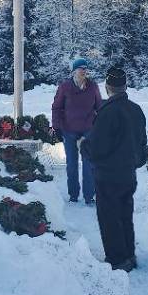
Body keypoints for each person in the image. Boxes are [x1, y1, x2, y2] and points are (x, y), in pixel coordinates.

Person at [80, 65, 147, 271]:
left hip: (109, 174)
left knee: (109, 218)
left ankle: (118, 260)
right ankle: (129, 255)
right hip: (128, 173)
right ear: (125, 86)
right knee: (125, 215)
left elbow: (98, 147)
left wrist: (83, 145)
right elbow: (141, 144)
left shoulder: (107, 112)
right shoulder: (136, 110)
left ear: (107, 87)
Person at [51, 58, 102, 205]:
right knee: (71, 164)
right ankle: (73, 195)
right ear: (74, 71)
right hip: (69, 130)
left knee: (89, 165)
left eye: (86, 69)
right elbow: (56, 108)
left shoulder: (93, 87)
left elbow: (99, 107)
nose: (84, 71)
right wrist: (57, 127)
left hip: (88, 130)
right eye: (81, 69)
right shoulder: (65, 87)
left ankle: (89, 196)